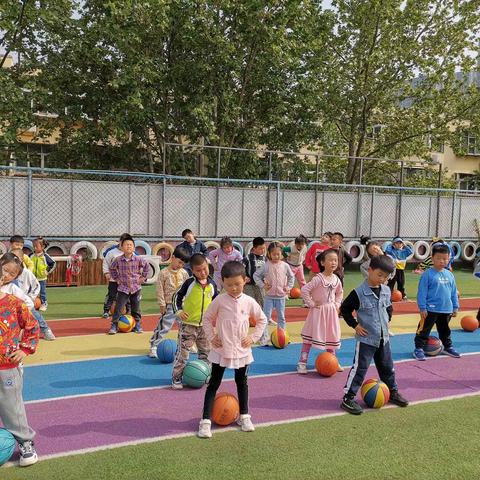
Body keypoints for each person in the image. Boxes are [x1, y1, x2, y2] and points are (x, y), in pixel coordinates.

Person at [198, 261, 267, 438]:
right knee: (213, 384)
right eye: (229, 285)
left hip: (242, 351)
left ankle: (244, 416)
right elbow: (207, 319)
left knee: (242, 383)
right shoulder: (219, 301)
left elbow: (262, 320)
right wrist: (212, 337)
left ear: (245, 280)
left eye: (237, 284)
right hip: (221, 350)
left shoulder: (249, 301)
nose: (234, 288)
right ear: (223, 283)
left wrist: (253, 337)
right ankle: (205, 421)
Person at [340, 255, 409, 415]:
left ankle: (392, 392)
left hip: (383, 339)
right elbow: (345, 309)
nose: (382, 279)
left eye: (385, 277)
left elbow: (389, 307)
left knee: (388, 367)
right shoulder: (358, 293)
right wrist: (355, 325)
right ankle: (348, 398)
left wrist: (387, 320)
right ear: (369, 270)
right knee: (360, 369)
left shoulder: (386, 290)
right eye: (379, 275)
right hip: (366, 340)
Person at [0, 261, 40, 467]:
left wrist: (24, 349)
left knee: (12, 408)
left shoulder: (14, 303)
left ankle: (25, 443)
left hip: (6, 367)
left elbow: (32, 326)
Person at [171, 253, 219, 389]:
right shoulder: (189, 283)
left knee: (206, 353)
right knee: (183, 353)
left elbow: (216, 301)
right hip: (188, 326)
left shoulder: (212, 285)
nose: (203, 272)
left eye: (205, 269)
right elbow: (176, 297)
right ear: (192, 271)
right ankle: (176, 377)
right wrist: (179, 311)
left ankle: (205, 374)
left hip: (205, 326)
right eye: (198, 270)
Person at [297, 249, 343, 374]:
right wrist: (311, 303)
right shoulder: (318, 278)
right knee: (309, 337)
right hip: (318, 312)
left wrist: (337, 304)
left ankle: (333, 361)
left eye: (335, 260)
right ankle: (302, 362)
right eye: (330, 260)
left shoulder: (336, 279)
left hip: (331, 313)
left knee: (331, 336)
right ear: (322, 262)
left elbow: (339, 293)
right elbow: (304, 290)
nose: (333, 262)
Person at [413, 243, 460, 361]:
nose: (442, 261)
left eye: (445, 258)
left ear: (449, 259)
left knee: (445, 330)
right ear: (432, 258)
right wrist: (422, 308)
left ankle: (448, 347)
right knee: (424, 330)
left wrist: (455, 307)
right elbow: (422, 292)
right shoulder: (427, 274)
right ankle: (419, 348)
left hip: (446, 309)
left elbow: (454, 292)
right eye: (438, 258)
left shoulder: (450, 275)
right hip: (430, 309)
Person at [148, 246, 190, 358]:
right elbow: (159, 289)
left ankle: (184, 345)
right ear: (173, 257)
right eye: (179, 262)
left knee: (185, 326)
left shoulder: (184, 273)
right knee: (164, 326)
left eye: (183, 264)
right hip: (169, 305)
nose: (180, 265)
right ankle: (154, 346)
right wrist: (162, 304)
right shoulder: (164, 273)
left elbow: (187, 288)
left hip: (182, 305)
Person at [6, 250, 56, 340]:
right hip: (11, 302)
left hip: (25, 301)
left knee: (34, 314)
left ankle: (45, 329)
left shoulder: (27, 273)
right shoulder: (7, 272)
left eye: (15, 258)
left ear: (21, 260)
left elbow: (36, 286)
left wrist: (31, 297)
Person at [254, 242, 294, 346]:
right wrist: (263, 285)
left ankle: (283, 336)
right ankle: (264, 338)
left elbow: (291, 277)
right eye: (274, 254)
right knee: (265, 318)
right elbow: (256, 275)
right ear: (269, 254)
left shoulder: (285, 265)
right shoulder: (266, 266)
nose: (276, 256)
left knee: (281, 317)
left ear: (281, 254)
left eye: (278, 254)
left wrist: (288, 287)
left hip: (281, 297)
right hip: (269, 297)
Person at [108, 235, 149, 335]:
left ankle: (137, 324)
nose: (129, 246)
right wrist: (116, 278)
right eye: (126, 245)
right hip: (123, 288)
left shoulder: (138, 259)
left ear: (134, 247)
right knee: (119, 307)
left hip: (136, 288)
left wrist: (143, 278)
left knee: (136, 307)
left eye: (131, 245)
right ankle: (114, 325)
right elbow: (112, 268)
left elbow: (147, 267)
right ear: (121, 247)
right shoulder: (118, 260)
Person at [102, 233, 132, 318]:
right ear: (120, 242)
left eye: (129, 243)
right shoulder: (112, 253)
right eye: (124, 243)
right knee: (111, 295)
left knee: (128, 295)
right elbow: (106, 263)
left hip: (126, 280)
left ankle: (129, 310)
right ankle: (106, 311)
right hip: (114, 279)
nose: (127, 245)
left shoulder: (131, 253)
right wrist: (106, 273)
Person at [30, 237, 56, 311]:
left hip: (42, 278)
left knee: (42, 292)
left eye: (36, 246)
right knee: (32, 291)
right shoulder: (31, 255)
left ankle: (44, 303)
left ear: (43, 247)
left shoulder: (45, 256)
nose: (34, 248)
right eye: (33, 246)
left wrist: (46, 272)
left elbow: (53, 264)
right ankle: (32, 303)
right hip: (32, 278)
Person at [243, 237, 266, 308]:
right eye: (260, 249)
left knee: (262, 301)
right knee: (249, 302)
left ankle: (263, 317)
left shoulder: (265, 259)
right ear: (254, 248)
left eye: (264, 248)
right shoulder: (247, 258)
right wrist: (244, 277)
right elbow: (240, 268)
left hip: (260, 285)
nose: (262, 250)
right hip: (249, 285)